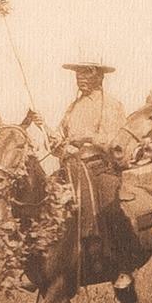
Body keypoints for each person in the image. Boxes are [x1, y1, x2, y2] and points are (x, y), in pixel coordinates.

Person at [23, 59, 135, 290]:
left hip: (100, 167)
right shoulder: (73, 107)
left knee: (111, 207)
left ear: (99, 76)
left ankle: (122, 267)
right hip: (72, 167)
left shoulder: (111, 105)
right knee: (44, 201)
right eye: (78, 73)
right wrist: (44, 127)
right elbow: (58, 144)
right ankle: (42, 267)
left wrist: (85, 138)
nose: (80, 77)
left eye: (86, 72)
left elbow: (116, 141)